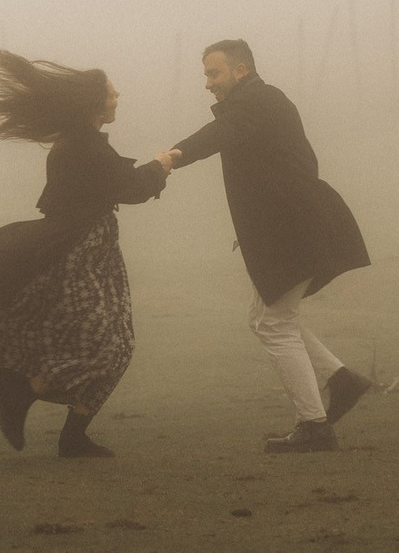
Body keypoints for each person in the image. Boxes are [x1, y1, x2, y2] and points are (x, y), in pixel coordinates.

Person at [0, 51, 169, 458]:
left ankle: (71, 435)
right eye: (110, 91)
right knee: (108, 345)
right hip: (76, 257)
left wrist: (153, 171)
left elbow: (118, 184)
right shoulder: (83, 148)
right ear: (93, 105)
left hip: (95, 257)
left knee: (113, 343)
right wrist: (162, 165)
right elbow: (128, 187)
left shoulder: (83, 143)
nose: (118, 94)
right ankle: (23, 395)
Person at [156, 38, 373, 454]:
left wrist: (172, 157)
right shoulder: (260, 103)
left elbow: (218, 134)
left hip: (295, 230)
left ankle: (315, 425)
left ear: (241, 70)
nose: (207, 83)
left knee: (273, 322)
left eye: (213, 73)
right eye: (206, 74)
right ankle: (342, 382)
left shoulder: (256, 102)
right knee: (270, 317)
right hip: (295, 226)